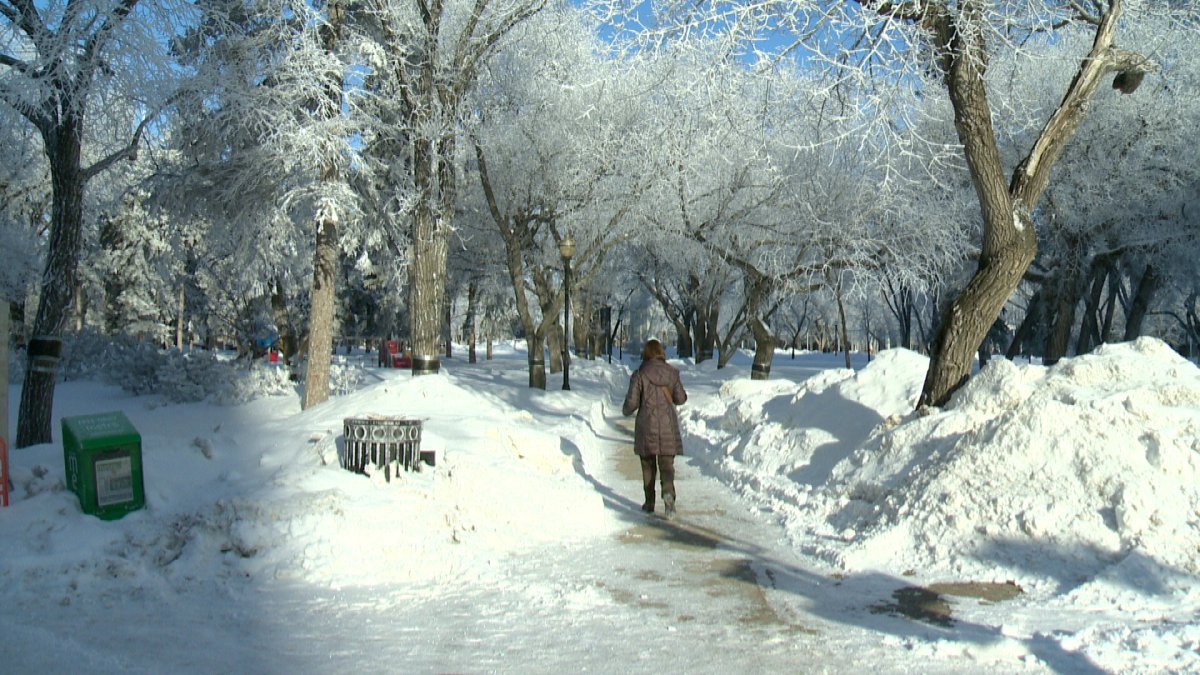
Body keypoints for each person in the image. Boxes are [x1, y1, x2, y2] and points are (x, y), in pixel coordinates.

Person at [622, 338, 688, 517]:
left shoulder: (639, 374)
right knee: (667, 466)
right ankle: (668, 495)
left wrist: (625, 408)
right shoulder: (672, 373)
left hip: (646, 426)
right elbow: (681, 398)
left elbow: (631, 404)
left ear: (646, 353)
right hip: (667, 426)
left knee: (648, 466)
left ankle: (649, 502)